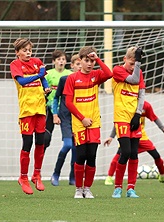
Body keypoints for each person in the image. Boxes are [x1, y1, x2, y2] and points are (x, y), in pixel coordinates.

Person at [63, 46, 113, 198]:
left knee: (92, 156)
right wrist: (82, 118)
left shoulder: (96, 75)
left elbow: (109, 74)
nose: (90, 64)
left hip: (94, 123)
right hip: (79, 123)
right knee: (81, 156)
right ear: (80, 61)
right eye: (87, 61)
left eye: (92, 61)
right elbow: (68, 102)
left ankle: (87, 188)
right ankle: (78, 188)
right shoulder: (72, 78)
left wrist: (98, 59)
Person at [9, 38, 52, 195]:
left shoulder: (36, 61)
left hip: (40, 109)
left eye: (29, 50)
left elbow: (43, 79)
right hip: (26, 111)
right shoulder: (15, 65)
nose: (28, 53)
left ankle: (37, 174)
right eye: (25, 50)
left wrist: (46, 87)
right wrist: (38, 75)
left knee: (40, 142)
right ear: (17, 52)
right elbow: (22, 82)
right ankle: (23, 178)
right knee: (27, 144)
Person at [103, 101, 164, 185]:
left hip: (141, 136)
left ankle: (163, 176)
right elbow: (119, 122)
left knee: (156, 156)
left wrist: (163, 128)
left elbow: (154, 117)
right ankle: (109, 177)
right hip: (127, 137)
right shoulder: (126, 104)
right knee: (118, 157)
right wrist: (111, 136)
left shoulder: (146, 106)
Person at [111, 46, 145, 198]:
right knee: (124, 152)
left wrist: (138, 114)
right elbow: (134, 80)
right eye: (131, 64)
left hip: (134, 117)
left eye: (135, 64)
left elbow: (141, 94)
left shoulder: (139, 72)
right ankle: (117, 187)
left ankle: (131, 188)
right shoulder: (117, 70)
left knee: (134, 154)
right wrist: (137, 63)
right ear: (125, 59)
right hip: (121, 117)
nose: (133, 67)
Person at [50, 54, 82, 186]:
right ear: (72, 66)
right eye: (78, 64)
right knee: (68, 145)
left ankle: (72, 176)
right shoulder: (64, 79)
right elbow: (56, 98)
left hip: (79, 118)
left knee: (76, 148)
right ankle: (56, 173)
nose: (80, 67)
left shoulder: (87, 81)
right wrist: (55, 114)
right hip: (65, 117)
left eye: (82, 63)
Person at [44, 50, 73, 150]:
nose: (61, 61)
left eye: (63, 59)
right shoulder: (48, 74)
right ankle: (38, 164)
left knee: (72, 140)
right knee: (45, 139)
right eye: (58, 59)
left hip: (65, 109)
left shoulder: (70, 75)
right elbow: (43, 90)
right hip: (50, 108)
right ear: (53, 61)